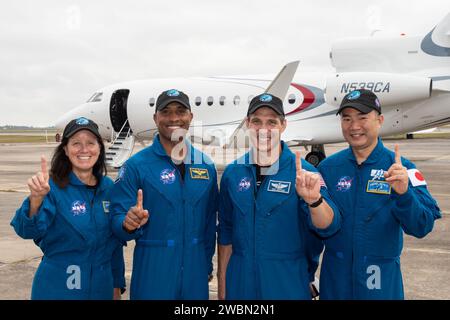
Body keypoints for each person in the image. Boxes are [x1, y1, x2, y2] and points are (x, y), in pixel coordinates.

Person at [317, 89, 442, 299]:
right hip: (335, 282)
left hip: (381, 283)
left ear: (380, 120)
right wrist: (308, 274)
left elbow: (422, 225)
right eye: (347, 118)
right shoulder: (328, 169)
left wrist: (404, 194)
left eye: (363, 117)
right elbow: (311, 229)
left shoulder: (402, 169)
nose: (354, 126)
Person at [217, 93, 341, 300]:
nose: (263, 129)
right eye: (256, 121)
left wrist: (314, 200)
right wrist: (223, 286)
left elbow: (329, 225)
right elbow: (226, 232)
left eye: (271, 122)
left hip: (287, 280)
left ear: (283, 125)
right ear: (247, 124)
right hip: (240, 281)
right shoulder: (233, 173)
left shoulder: (305, 173)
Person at [109, 89, 218, 300]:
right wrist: (127, 223)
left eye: (180, 111)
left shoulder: (206, 166)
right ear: (156, 118)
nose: (174, 118)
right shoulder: (135, 166)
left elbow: (209, 223)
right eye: (166, 111)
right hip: (153, 270)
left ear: (190, 117)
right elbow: (116, 217)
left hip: (196, 272)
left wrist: (205, 264)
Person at [11, 117, 125, 300]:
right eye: (76, 143)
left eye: (90, 143)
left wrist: (117, 284)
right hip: (58, 287)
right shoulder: (50, 187)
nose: (84, 149)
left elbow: (115, 244)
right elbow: (26, 230)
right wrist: (35, 200)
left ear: (100, 148)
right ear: (65, 149)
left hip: (101, 287)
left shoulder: (109, 188)